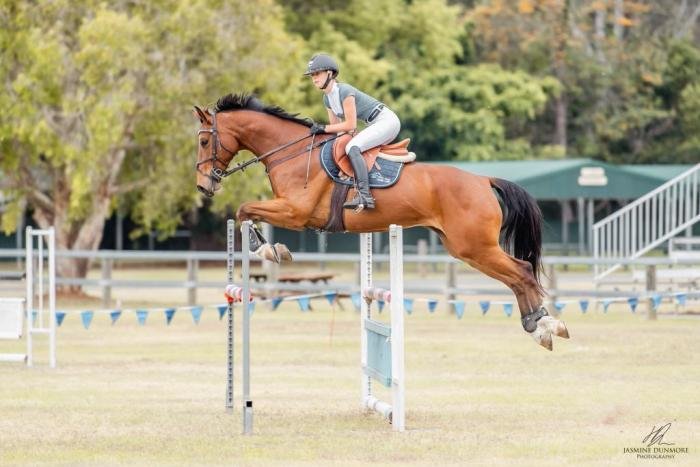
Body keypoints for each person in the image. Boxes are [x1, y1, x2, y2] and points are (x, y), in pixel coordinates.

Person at [305, 53, 401, 211]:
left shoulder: (344, 90)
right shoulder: (327, 99)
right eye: (312, 75)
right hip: (374, 123)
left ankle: (365, 195)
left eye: (317, 74)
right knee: (345, 145)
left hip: (387, 121)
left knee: (352, 147)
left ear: (329, 73)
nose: (314, 78)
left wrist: (323, 128)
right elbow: (337, 130)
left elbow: (350, 124)